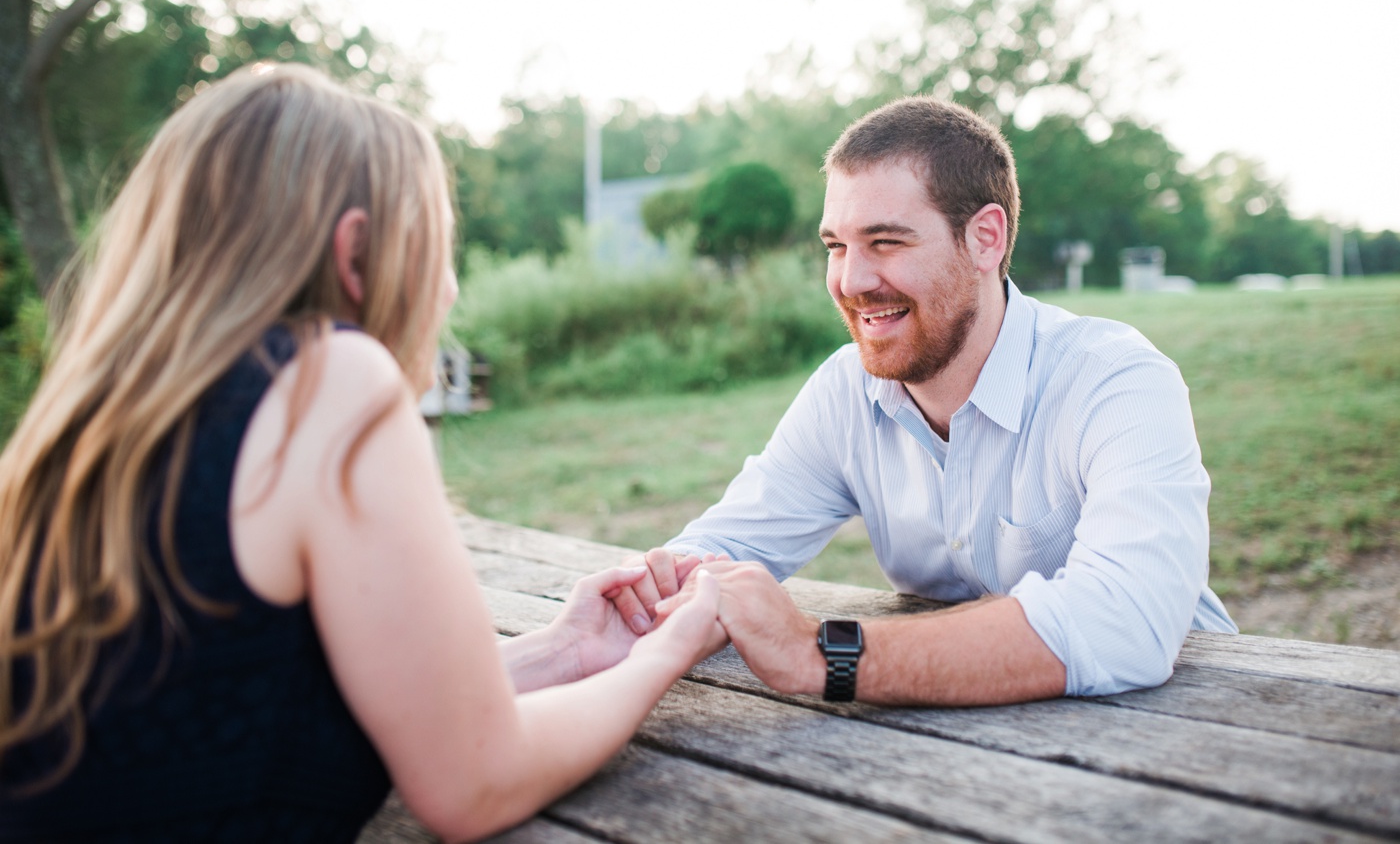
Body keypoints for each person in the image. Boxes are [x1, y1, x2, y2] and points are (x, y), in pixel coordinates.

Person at [0, 64, 723, 843]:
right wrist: (671, 653)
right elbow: (475, 781)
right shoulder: (330, 378)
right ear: (356, 253)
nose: (446, 291)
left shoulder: (103, 417)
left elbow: (274, 707)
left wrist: (565, 652)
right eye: (442, 252)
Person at [614, 96, 1236, 707]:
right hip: (960, 754)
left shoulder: (1116, 381)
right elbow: (729, 549)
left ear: (985, 239)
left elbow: (1125, 620)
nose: (850, 282)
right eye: (836, 246)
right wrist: (643, 592)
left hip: (1199, 731)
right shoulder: (845, 392)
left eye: (885, 242)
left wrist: (822, 655)